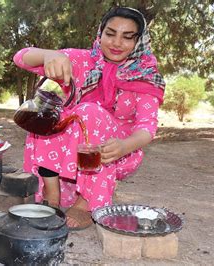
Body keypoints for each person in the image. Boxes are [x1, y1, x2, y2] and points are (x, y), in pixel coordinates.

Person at [13, 7, 165, 230]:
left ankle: (85, 204)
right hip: (66, 147)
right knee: (49, 113)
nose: (116, 42)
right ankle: (51, 194)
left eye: (127, 37)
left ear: (139, 41)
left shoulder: (145, 77)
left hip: (114, 150)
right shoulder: (81, 60)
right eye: (110, 33)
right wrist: (50, 55)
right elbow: (21, 58)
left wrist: (124, 146)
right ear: (100, 33)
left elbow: (147, 128)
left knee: (89, 112)